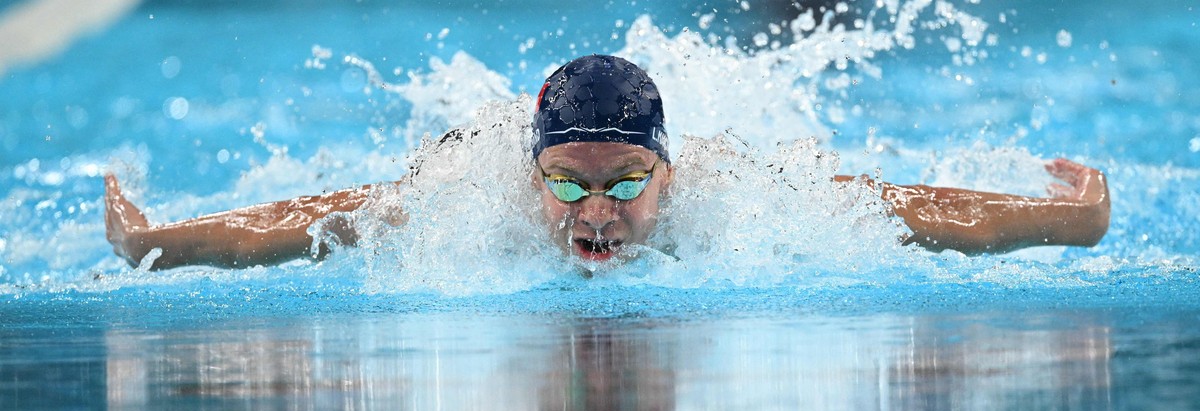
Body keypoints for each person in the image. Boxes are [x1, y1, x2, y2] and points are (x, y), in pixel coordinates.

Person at [103, 54, 1110, 270]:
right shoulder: (470, 200)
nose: (598, 211)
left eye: (629, 182)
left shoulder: (742, 198)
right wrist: (161, 242)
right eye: (568, 184)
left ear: (668, 174)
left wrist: (1068, 219)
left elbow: (903, 208)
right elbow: (314, 219)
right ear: (529, 176)